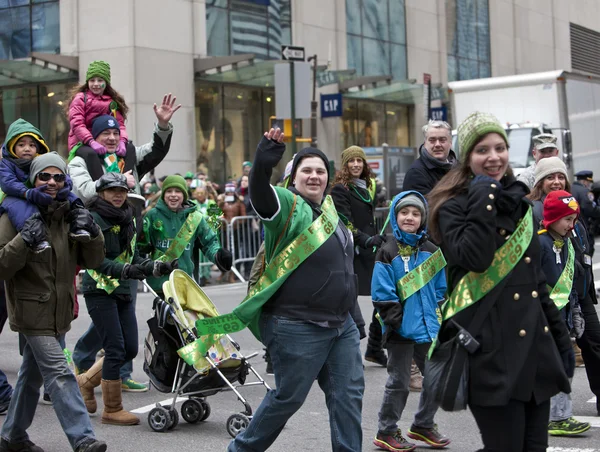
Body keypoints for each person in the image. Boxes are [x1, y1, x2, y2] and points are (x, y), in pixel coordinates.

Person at [427, 111, 572, 452]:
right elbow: (475, 258)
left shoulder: (519, 205)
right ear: (467, 158)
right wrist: (483, 197)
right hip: (491, 354)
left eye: (500, 148)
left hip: (535, 351)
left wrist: (562, 341)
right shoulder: (452, 206)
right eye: (481, 150)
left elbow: (535, 281)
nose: (493, 157)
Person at [227, 128, 364, 451]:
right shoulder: (287, 206)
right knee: (288, 398)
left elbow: (344, 269)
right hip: (296, 323)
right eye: (307, 170)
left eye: (320, 171)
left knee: (348, 395)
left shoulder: (331, 213)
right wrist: (264, 161)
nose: (314, 176)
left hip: (339, 325)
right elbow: (260, 193)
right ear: (294, 178)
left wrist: (354, 317)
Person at [70, 95, 180, 392]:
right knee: (107, 310)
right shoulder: (82, 157)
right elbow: (81, 190)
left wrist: (163, 125)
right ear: (93, 136)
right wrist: (116, 180)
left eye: (115, 132)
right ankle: (86, 360)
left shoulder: (128, 154)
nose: (111, 137)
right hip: (100, 245)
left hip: (128, 243)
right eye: (104, 133)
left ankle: (118, 369)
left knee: (123, 315)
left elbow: (155, 150)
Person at [0, 153, 107, 452]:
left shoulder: (69, 212)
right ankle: (82, 438)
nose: (51, 183)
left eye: (58, 177)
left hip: (59, 311)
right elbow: (2, 267)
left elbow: (94, 261)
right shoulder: (15, 213)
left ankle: (12, 437)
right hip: (31, 311)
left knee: (30, 377)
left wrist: (93, 232)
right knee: (60, 373)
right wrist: (24, 240)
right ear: (32, 179)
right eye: (44, 177)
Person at [75, 173, 176, 426]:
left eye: (122, 190)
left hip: (121, 289)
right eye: (112, 191)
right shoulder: (91, 218)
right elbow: (94, 261)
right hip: (99, 289)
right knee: (115, 348)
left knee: (130, 348)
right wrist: (124, 270)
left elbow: (132, 256)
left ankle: (85, 382)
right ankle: (112, 409)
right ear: (101, 193)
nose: (118, 194)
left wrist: (156, 266)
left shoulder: (129, 216)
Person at [371, 191, 450, 452]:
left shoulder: (432, 251)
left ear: (423, 218)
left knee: (437, 378)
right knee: (399, 383)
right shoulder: (387, 251)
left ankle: (423, 425)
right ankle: (387, 430)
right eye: (404, 212)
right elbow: (382, 293)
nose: (410, 217)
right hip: (399, 330)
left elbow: (440, 289)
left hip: (429, 328)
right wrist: (397, 322)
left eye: (416, 213)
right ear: (395, 216)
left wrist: (435, 314)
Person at [527, 159, 600, 417]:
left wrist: (586, 290)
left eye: (560, 176)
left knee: (593, 343)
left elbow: (584, 253)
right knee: (554, 354)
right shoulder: (532, 214)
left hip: (579, 294)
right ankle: (550, 412)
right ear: (539, 182)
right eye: (549, 177)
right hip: (552, 298)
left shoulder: (574, 212)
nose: (556, 181)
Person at [537, 190, 590, 436]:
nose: (572, 225)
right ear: (552, 219)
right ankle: (557, 417)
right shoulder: (539, 244)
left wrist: (576, 310)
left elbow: (571, 285)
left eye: (574, 220)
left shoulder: (566, 243)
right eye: (567, 220)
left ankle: (557, 415)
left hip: (562, 318)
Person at [331, 145, 387, 367]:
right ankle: (351, 352)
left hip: (369, 252)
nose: (356, 164)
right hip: (352, 253)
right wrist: (366, 239)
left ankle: (374, 347)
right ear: (345, 165)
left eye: (359, 161)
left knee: (383, 297)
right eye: (351, 161)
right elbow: (344, 222)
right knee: (349, 303)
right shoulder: (340, 190)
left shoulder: (365, 187)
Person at [140, 174, 232, 296]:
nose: (173, 194)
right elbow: (142, 247)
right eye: (169, 191)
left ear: (184, 195)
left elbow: (209, 242)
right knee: (164, 315)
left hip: (185, 280)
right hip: (160, 283)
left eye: (178, 191)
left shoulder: (195, 216)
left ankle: (205, 276)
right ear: (163, 195)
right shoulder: (152, 215)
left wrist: (218, 255)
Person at [66, 60, 129, 155]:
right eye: (92, 80)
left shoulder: (112, 102)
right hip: (82, 143)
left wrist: (122, 141)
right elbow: (77, 124)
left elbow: (119, 125)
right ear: (87, 82)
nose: (96, 84)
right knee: (91, 154)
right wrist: (91, 142)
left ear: (106, 83)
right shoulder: (80, 98)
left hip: (105, 142)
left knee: (130, 148)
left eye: (100, 80)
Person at [402, 120, 457, 196]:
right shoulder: (416, 173)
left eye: (442, 140)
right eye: (432, 140)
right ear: (425, 144)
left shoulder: (459, 168)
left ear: (450, 143)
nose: (437, 144)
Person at [218, 182, 246, 282]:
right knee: (223, 251)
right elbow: (214, 214)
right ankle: (223, 272)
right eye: (227, 191)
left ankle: (233, 274)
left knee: (235, 251)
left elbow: (243, 216)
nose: (229, 193)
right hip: (224, 230)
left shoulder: (239, 202)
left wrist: (235, 223)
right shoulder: (221, 201)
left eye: (231, 191)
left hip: (235, 231)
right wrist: (220, 203)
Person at [571, 170, 600, 257]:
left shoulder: (570, 188)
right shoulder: (584, 191)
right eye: (588, 182)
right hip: (584, 227)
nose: (589, 185)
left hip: (573, 226)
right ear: (584, 181)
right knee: (587, 253)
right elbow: (590, 209)